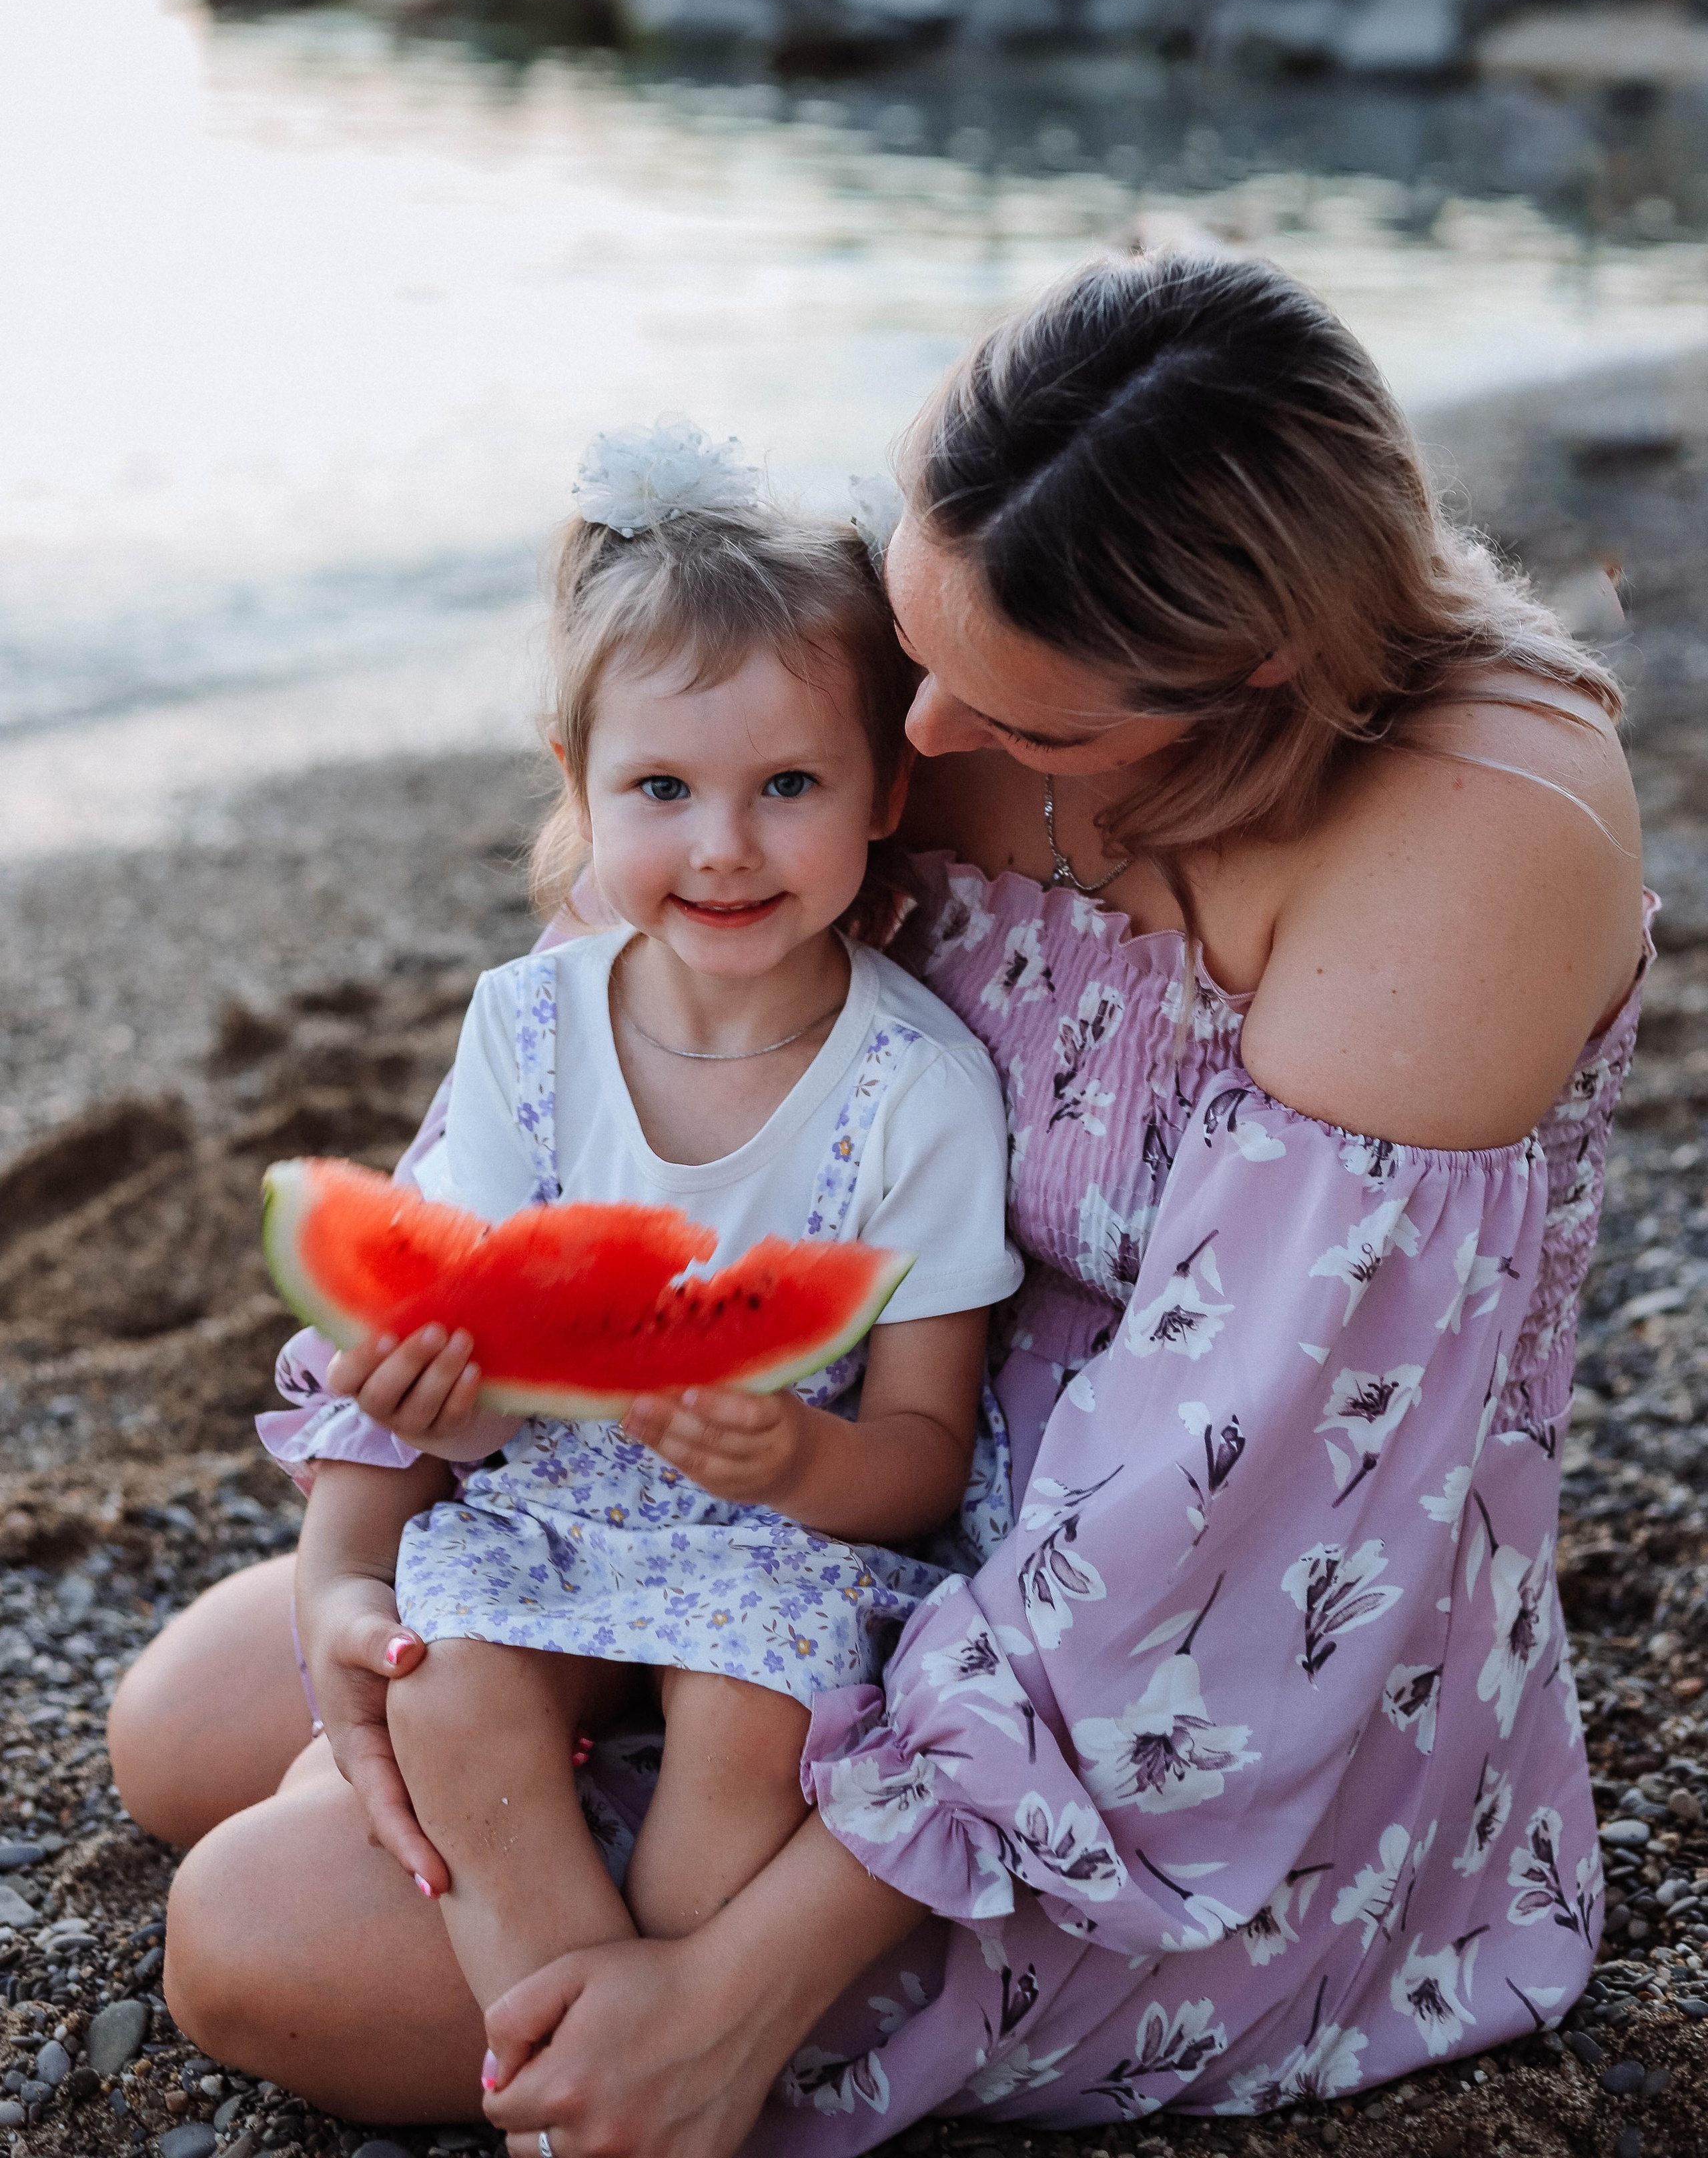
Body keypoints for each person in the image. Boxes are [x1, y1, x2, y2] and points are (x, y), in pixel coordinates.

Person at [112, 252, 1647, 2151]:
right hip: (743, 1496)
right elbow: (606, 1031)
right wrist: (395, 1492)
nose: (922, 748)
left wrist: (726, 2003)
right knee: (178, 1723)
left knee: (245, 1940)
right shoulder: (965, 632)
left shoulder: (1478, 835)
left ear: (1240, 683)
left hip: (1157, 1689)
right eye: (919, 647)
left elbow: (1192, 1554)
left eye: (1022, 723)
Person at [252, 430, 1022, 2021]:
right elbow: (461, 1342)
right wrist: (436, 1403)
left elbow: (925, 1449)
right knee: (450, 1698)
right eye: (661, 789)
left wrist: (796, 1462)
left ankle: (660, 2034)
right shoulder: (522, 1029)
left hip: (777, 1554)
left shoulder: (919, 1089)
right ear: (577, 786)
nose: (724, 844)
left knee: (750, 1717)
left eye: (786, 785)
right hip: (540, 1519)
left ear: (886, 789)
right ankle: (582, 2075)